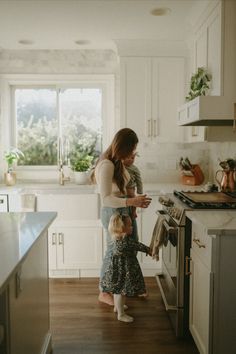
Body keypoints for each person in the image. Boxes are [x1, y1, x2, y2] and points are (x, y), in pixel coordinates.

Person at [93, 128, 152, 306]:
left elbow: (122, 189)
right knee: (113, 253)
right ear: (123, 146)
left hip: (123, 211)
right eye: (132, 148)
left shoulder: (117, 162)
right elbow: (106, 198)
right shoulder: (107, 165)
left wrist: (134, 203)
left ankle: (127, 286)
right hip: (113, 213)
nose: (132, 152)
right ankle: (104, 291)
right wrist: (132, 202)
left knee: (130, 248)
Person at [100, 213, 151, 322]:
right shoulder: (124, 243)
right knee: (120, 291)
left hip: (120, 270)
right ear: (122, 228)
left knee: (119, 291)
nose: (132, 227)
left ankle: (117, 307)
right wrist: (149, 250)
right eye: (129, 225)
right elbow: (137, 245)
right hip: (121, 271)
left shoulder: (121, 239)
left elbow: (135, 244)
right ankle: (121, 314)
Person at [123, 152, 143, 220]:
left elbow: (138, 180)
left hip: (130, 187)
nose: (130, 160)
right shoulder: (120, 166)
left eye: (132, 158)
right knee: (125, 200)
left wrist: (140, 191)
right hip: (122, 188)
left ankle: (133, 212)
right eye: (128, 157)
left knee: (133, 198)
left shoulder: (134, 168)